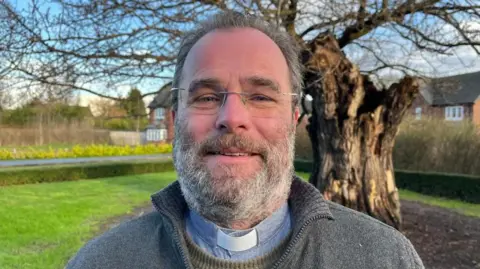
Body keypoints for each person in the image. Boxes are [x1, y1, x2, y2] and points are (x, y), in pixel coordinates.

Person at [66, 11, 424, 269]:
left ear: (293, 119)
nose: (232, 119)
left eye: (262, 97)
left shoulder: (385, 258)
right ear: (174, 123)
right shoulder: (101, 261)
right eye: (206, 97)